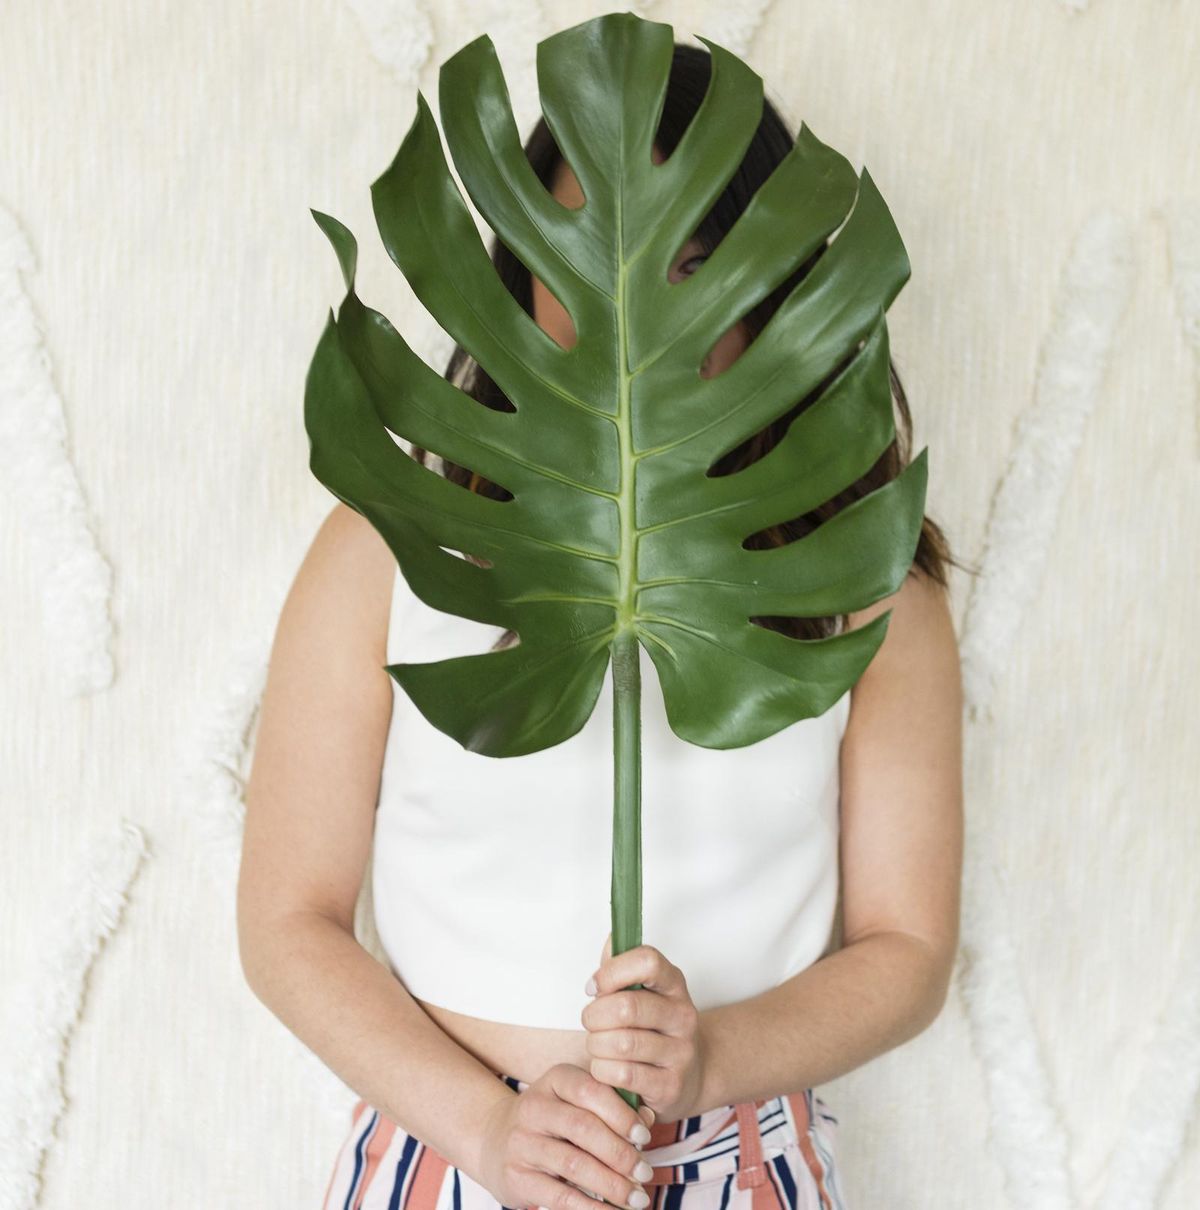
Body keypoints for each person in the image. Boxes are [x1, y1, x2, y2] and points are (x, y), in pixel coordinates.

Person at [237, 41, 965, 1210]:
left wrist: (713, 1055)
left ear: (770, 296)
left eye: (691, 271)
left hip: (741, 1161)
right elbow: (288, 920)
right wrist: (491, 1128)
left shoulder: (869, 585)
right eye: (564, 272)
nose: (622, 327)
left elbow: (910, 948)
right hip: (453, 1150)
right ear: (515, 277)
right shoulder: (391, 551)